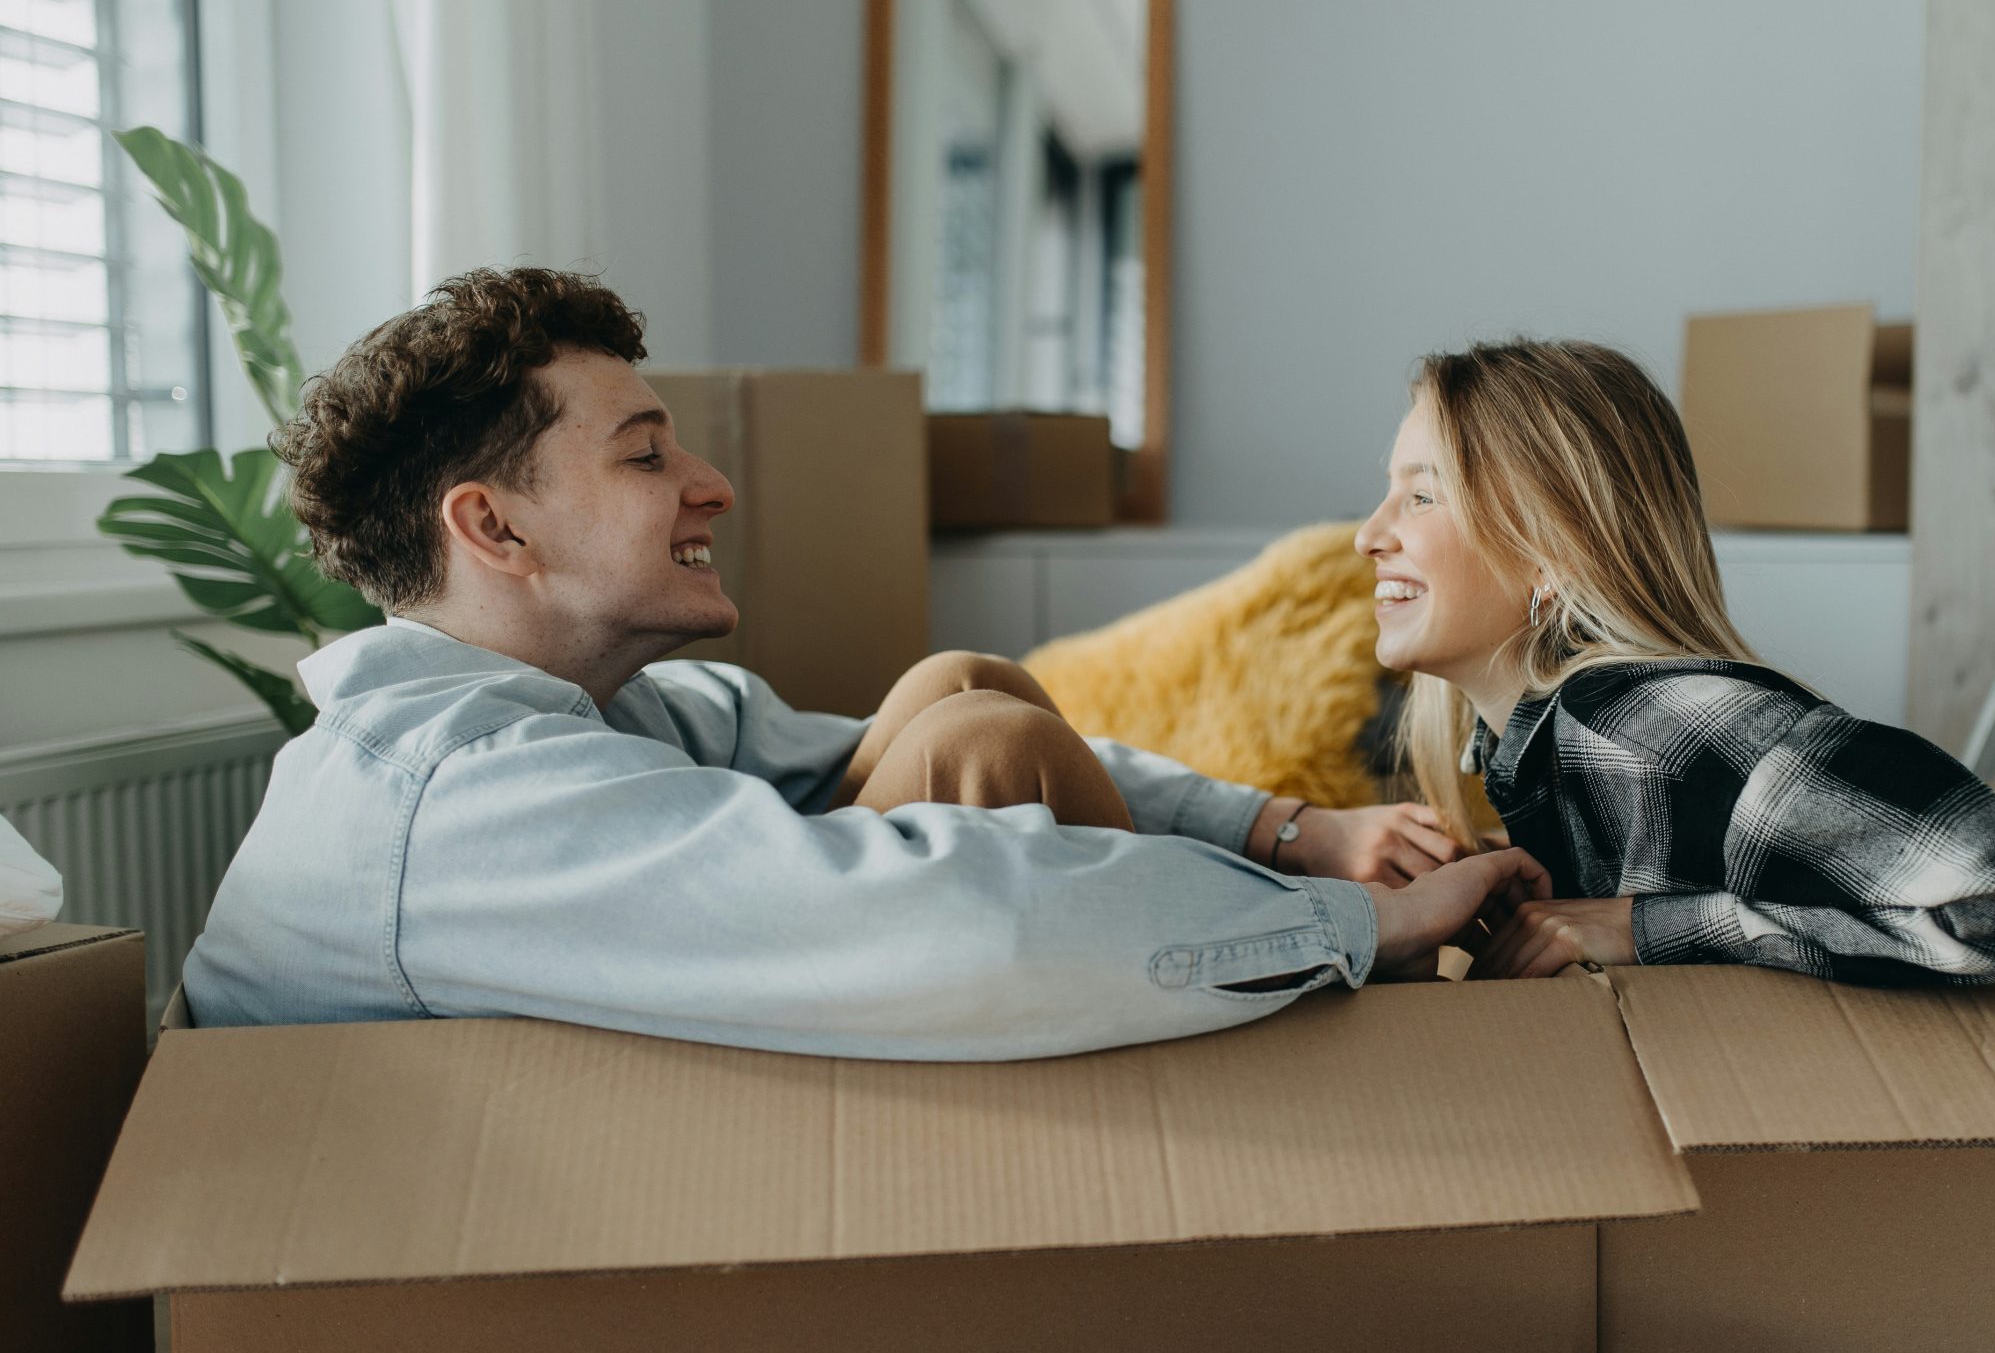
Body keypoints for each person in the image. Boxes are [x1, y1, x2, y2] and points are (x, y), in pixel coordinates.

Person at [182, 268, 1545, 1059]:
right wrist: (1351, 924)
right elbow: (973, 926)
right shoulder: (461, 802)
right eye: (646, 456)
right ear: (494, 529)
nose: (711, 484)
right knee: (988, 758)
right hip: (428, 1271)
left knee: (962, 696)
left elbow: (855, 750)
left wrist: (1293, 830)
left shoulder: (625, 709)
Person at [1351, 337, 1995, 983]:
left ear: (1551, 551)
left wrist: (1645, 927)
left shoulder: (1648, 725)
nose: (1368, 536)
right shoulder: (1539, 746)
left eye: (1423, 497)